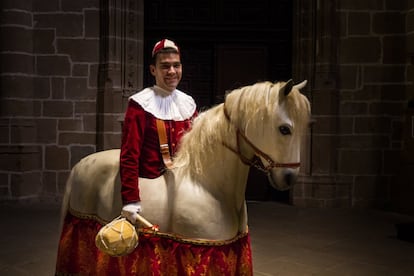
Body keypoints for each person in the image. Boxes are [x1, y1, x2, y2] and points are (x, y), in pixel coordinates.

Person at [120, 38, 197, 224]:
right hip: (150, 188)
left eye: (176, 65)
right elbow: (129, 155)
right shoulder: (140, 105)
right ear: (153, 70)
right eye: (165, 66)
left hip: (182, 189)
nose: (172, 71)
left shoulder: (188, 103)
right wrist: (130, 199)